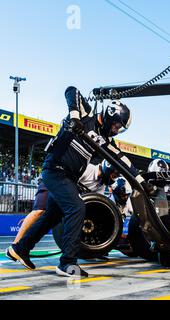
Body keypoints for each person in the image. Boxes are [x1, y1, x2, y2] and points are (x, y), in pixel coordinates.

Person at [6, 86, 153, 278]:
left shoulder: (106, 141)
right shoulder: (87, 114)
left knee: (51, 216)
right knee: (77, 208)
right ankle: (67, 263)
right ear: (111, 116)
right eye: (117, 126)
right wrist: (74, 117)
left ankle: (20, 249)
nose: (117, 130)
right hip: (55, 170)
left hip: (68, 177)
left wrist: (142, 181)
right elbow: (71, 90)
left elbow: (124, 161)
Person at [11, 160, 118, 246]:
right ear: (108, 168)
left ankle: (23, 246)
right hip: (53, 182)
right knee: (39, 211)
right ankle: (15, 245)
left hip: (66, 194)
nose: (114, 178)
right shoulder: (87, 168)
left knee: (56, 218)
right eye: (114, 175)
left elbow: (94, 203)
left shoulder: (101, 185)